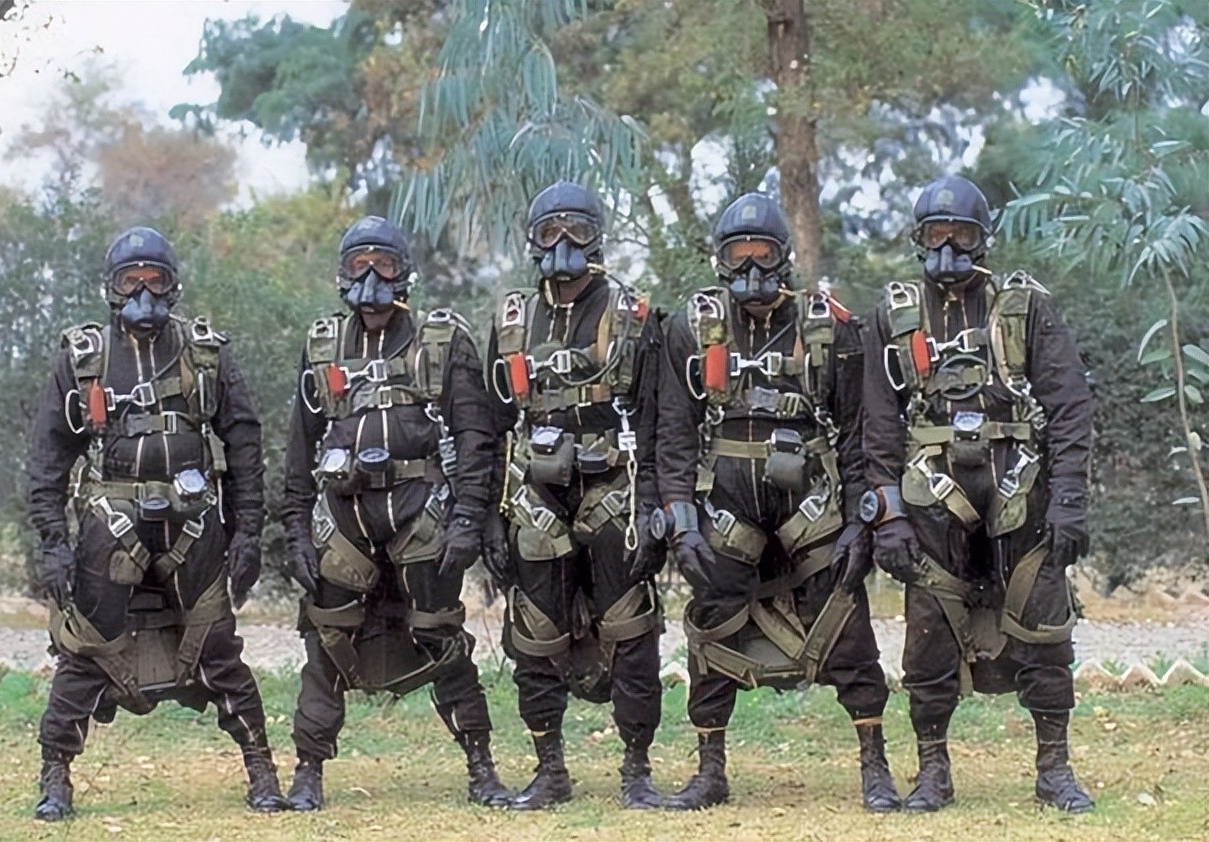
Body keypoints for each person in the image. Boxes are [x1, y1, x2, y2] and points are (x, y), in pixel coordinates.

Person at [27, 226, 287, 821]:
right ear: (111, 288)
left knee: (216, 644)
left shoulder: (206, 354)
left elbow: (244, 444)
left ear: (174, 286)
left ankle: (262, 768)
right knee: (86, 649)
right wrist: (52, 542)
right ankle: (55, 776)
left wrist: (248, 531)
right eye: (131, 281)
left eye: (156, 280)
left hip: (194, 525)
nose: (144, 295)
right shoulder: (83, 359)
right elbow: (48, 455)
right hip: (109, 524)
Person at [653, 192, 899, 811]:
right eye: (738, 255)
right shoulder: (691, 329)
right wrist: (681, 521)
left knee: (844, 615)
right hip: (725, 502)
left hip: (809, 498)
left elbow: (857, 434)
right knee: (712, 618)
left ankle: (875, 764)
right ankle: (710, 769)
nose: (751, 270)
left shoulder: (830, 329)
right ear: (719, 260)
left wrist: (859, 523)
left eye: (762, 254)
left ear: (784, 257)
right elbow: (674, 435)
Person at [861, 174, 1095, 813]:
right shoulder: (893, 316)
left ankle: (1054, 769)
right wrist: (888, 517)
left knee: (1044, 624)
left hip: (1020, 489)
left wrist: (1069, 499)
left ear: (983, 238)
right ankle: (933, 771)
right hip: (931, 498)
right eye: (935, 236)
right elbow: (876, 424)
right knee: (928, 630)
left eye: (960, 236)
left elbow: (1070, 405)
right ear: (918, 240)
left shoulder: (1023, 308)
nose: (948, 250)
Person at [280, 215, 513, 811]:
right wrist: (295, 529)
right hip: (344, 515)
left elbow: (476, 436)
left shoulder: (441, 341)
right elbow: (300, 445)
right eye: (358, 266)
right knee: (326, 635)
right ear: (341, 275)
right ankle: (307, 770)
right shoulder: (323, 346)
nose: (371, 281)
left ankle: (481, 767)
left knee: (441, 633)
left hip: (420, 511)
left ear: (404, 272)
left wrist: (468, 519)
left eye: (383, 265)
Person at [487, 181, 664, 809]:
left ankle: (636, 770)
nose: (563, 245)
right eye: (550, 232)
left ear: (598, 240)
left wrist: (656, 507)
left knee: (631, 626)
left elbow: (659, 421)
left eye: (578, 232)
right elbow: (489, 426)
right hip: (533, 494)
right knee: (535, 631)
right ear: (532, 242)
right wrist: (486, 518)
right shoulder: (511, 321)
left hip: (615, 490)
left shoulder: (634, 317)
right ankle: (549, 769)